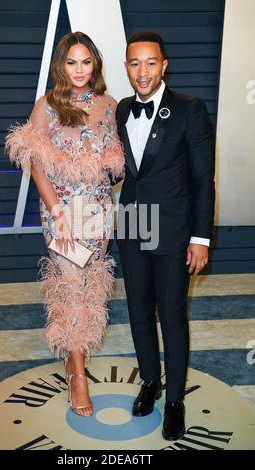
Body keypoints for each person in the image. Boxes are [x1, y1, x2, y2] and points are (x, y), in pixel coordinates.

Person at [5, 32, 124, 417]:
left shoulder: (109, 106)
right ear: (61, 66)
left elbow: (120, 162)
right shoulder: (47, 106)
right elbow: (36, 165)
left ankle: (75, 356)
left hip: (99, 212)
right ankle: (77, 374)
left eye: (86, 62)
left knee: (90, 287)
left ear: (95, 65)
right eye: (71, 62)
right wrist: (59, 213)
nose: (79, 70)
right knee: (71, 288)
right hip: (62, 214)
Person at [115, 31, 215, 440]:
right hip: (133, 225)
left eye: (150, 63)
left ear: (164, 65)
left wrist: (200, 238)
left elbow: (204, 180)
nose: (143, 72)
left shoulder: (190, 109)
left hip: (172, 229)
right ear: (126, 67)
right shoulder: (121, 110)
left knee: (172, 316)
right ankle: (150, 382)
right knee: (139, 313)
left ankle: (175, 399)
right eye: (134, 63)